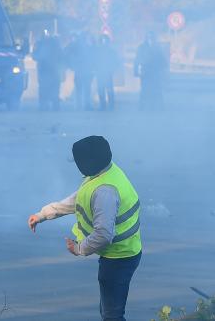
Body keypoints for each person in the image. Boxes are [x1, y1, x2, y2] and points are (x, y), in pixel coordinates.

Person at [28, 136, 143, 321]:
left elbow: (104, 234)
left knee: (112, 315)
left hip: (119, 258)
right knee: (108, 309)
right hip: (124, 252)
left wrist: (79, 249)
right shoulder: (106, 173)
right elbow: (80, 198)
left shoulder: (104, 191)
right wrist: (44, 214)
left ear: (87, 164)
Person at [33, 30, 63, 111]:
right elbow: (35, 56)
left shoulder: (42, 44)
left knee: (49, 88)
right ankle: (51, 106)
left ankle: (48, 106)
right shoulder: (54, 44)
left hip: (48, 70)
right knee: (51, 88)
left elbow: (34, 56)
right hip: (48, 70)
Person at [134, 34, 166, 111]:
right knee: (144, 89)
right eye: (149, 38)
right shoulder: (142, 47)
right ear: (146, 38)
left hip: (155, 72)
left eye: (152, 38)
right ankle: (142, 106)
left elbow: (162, 60)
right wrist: (136, 71)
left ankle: (157, 107)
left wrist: (162, 69)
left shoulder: (158, 47)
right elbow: (137, 59)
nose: (150, 40)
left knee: (156, 89)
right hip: (146, 72)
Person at [68, 34, 95, 110]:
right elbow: (93, 60)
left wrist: (72, 66)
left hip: (81, 72)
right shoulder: (89, 48)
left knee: (80, 90)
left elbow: (71, 58)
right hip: (86, 72)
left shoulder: (77, 49)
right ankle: (86, 105)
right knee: (86, 90)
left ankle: (79, 105)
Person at [95, 35, 121, 111]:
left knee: (109, 90)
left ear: (107, 42)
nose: (104, 42)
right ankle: (102, 106)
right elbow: (94, 61)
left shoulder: (111, 51)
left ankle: (111, 106)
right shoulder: (97, 51)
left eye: (105, 41)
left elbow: (116, 62)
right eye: (103, 40)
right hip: (99, 73)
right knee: (100, 89)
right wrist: (95, 69)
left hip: (108, 73)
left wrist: (112, 70)